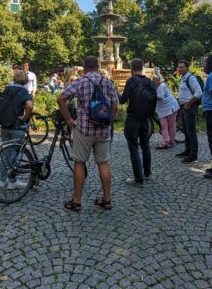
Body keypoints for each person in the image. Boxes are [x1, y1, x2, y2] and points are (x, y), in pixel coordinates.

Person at [57, 56, 118, 211]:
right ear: (98, 66)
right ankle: (107, 199)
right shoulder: (107, 82)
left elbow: (61, 98)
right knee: (103, 163)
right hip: (103, 130)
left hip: (84, 129)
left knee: (79, 162)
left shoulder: (80, 81)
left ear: (84, 67)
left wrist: (69, 119)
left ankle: (76, 201)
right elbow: (115, 105)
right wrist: (109, 120)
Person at [120, 58, 157, 186]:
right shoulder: (149, 82)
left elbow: (122, 100)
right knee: (146, 146)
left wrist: (118, 93)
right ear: (142, 68)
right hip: (145, 118)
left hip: (133, 118)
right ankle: (147, 173)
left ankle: (138, 178)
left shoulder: (131, 81)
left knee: (134, 147)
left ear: (131, 70)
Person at [0, 70, 33, 189]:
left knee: (5, 153)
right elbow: (29, 106)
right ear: (25, 80)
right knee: (15, 153)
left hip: (5, 125)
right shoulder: (23, 91)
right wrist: (24, 117)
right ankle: (12, 181)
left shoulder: (7, 89)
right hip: (17, 126)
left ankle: (2, 180)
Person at [177, 60, 203, 163]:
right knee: (185, 131)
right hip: (183, 108)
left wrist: (188, 104)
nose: (180, 69)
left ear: (187, 68)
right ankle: (187, 151)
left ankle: (193, 155)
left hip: (189, 108)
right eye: (179, 67)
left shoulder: (191, 78)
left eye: (182, 67)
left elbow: (199, 93)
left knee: (191, 132)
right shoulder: (182, 79)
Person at [152, 72, 179, 149]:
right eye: (153, 79)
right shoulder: (154, 87)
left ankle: (171, 142)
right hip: (162, 109)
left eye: (155, 79)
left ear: (159, 79)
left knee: (171, 125)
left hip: (170, 106)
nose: (154, 80)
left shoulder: (162, 86)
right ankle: (165, 141)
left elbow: (160, 97)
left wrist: (150, 97)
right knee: (163, 125)